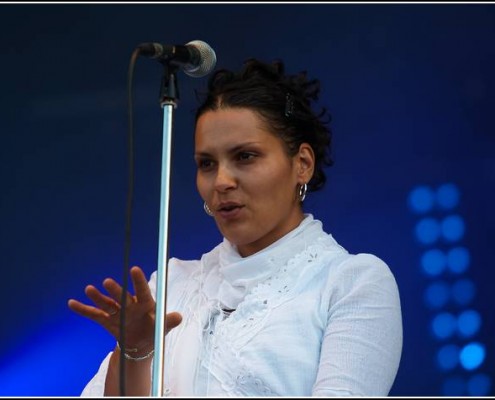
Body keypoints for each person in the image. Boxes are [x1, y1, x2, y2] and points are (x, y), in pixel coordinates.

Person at [68, 58, 403, 397]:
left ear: (302, 164)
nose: (222, 181)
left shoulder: (351, 282)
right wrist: (135, 353)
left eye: (245, 156)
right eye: (207, 164)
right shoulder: (171, 286)